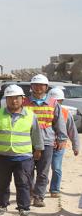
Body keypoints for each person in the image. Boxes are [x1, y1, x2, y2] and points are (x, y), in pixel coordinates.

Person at [0, 85, 44, 216]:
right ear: (6, 100)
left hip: (23, 156)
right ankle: (2, 205)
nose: (13, 101)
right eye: (10, 98)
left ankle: (24, 208)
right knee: (2, 182)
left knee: (23, 183)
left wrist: (38, 149)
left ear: (23, 99)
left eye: (16, 98)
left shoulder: (31, 116)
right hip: (3, 156)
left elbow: (37, 134)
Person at [23, 74, 67, 207]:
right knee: (27, 170)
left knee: (43, 171)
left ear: (46, 87)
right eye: (35, 85)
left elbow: (59, 122)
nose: (38, 88)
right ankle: (29, 194)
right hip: (27, 141)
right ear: (31, 87)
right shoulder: (24, 102)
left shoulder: (53, 103)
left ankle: (39, 197)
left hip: (47, 141)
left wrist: (61, 138)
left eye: (41, 85)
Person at [47, 88, 80, 197]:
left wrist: (76, 146)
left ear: (61, 101)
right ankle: (40, 186)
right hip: (44, 145)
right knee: (42, 169)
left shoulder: (66, 113)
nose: (56, 103)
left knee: (56, 168)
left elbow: (72, 131)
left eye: (58, 101)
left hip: (59, 146)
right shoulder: (43, 110)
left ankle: (55, 189)